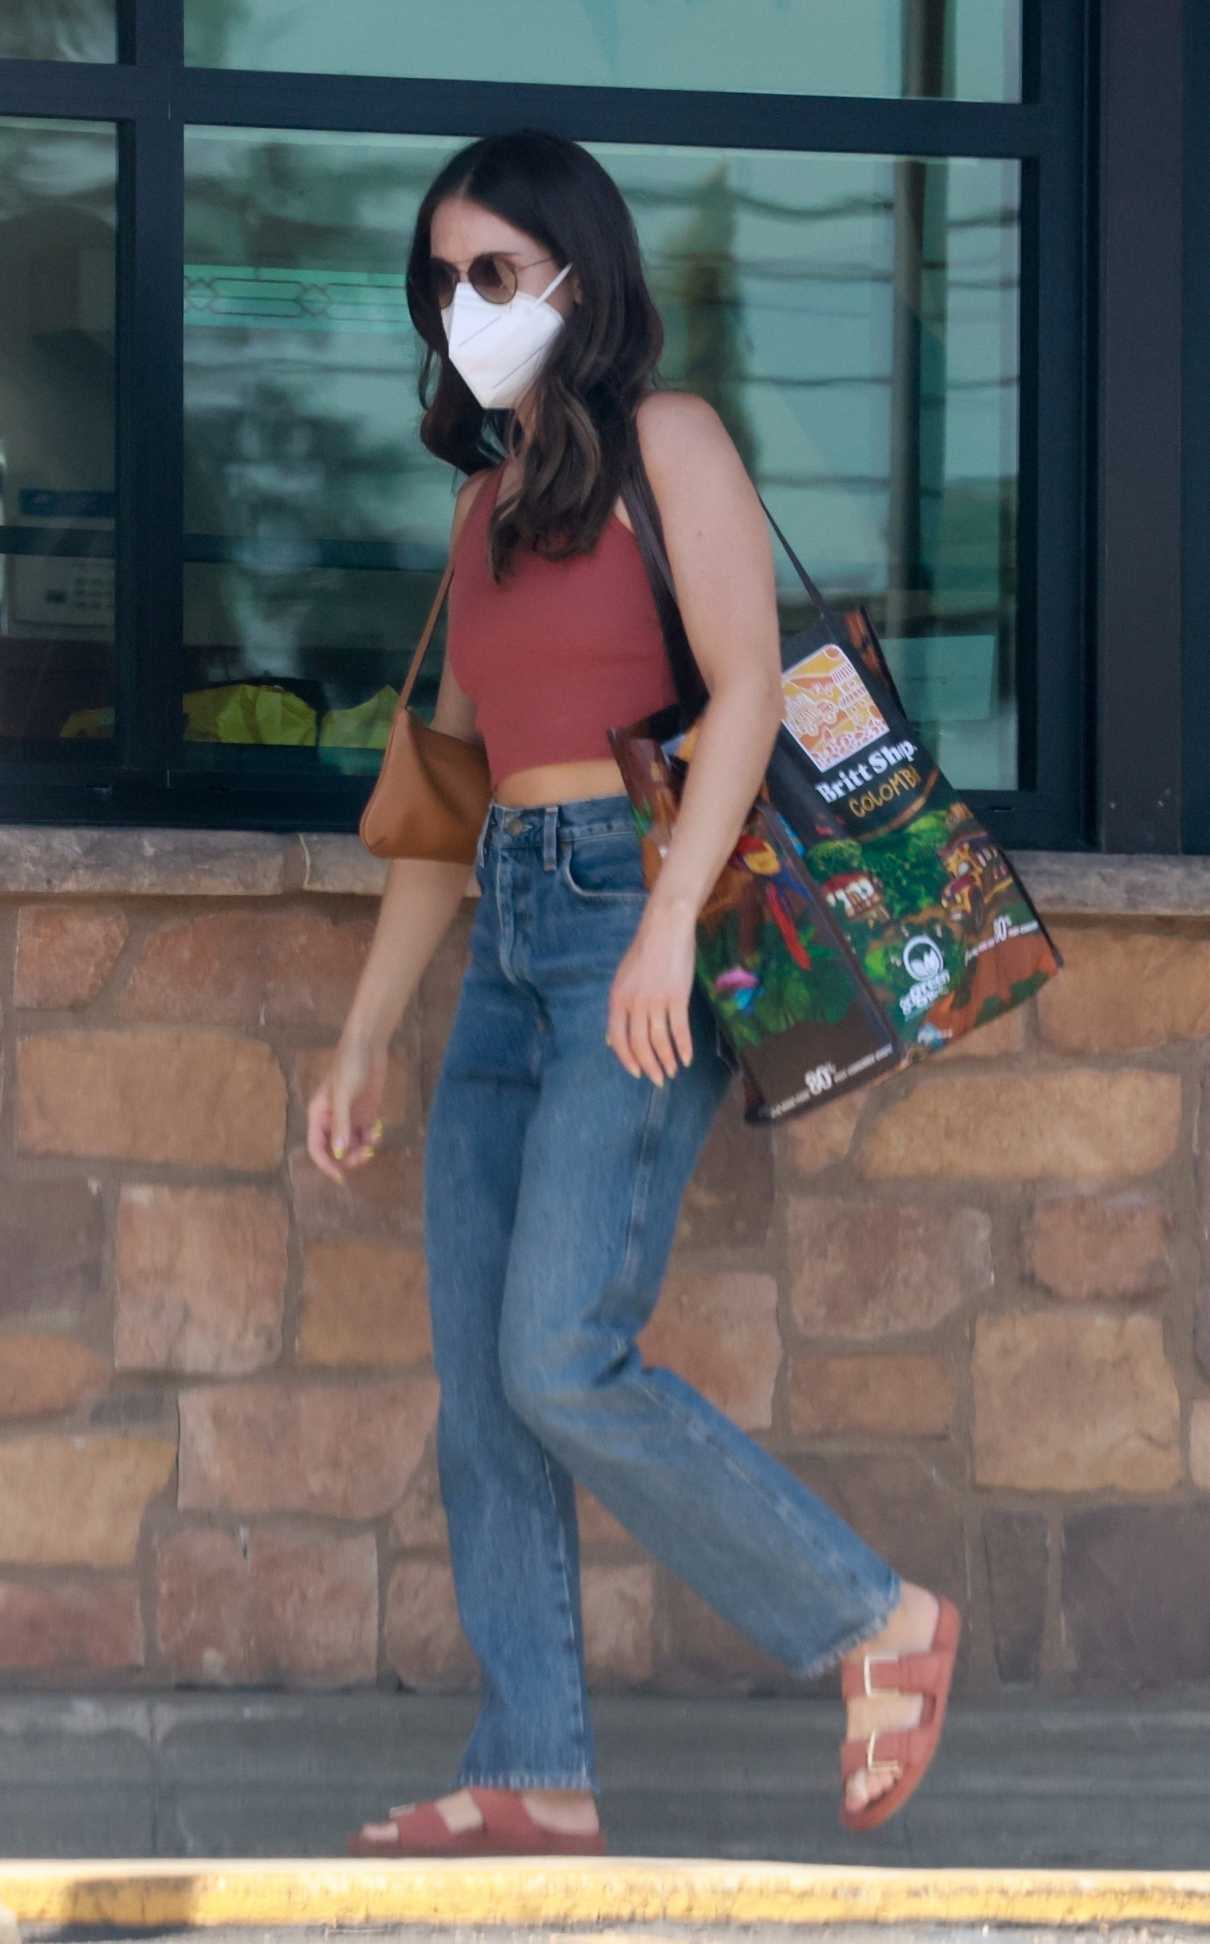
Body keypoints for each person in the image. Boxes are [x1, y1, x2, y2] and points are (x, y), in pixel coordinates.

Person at [307, 127, 959, 1859]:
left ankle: (872, 1619)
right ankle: (532, 1765)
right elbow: (443, 818)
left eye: (495, 273)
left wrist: (669, 921)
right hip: (516, 937)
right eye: (440, 281)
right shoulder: (478, 507)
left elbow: (745, 691)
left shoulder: (671, 442)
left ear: (578, 281)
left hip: (630, 919)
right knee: (480, 1385)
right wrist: (367, 1036)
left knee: (560, 1355)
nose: (464, 306)